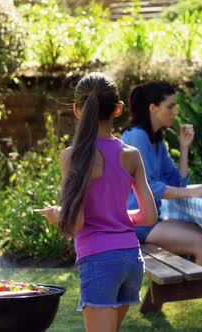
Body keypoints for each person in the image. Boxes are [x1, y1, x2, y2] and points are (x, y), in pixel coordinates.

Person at [37, 72, 157, 332]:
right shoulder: (131, 154)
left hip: (100, 260)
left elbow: (77, 219)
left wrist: (56, 214)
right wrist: (120, 217)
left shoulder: (73, 156)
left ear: (78, 110)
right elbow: (148, 217)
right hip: (131, 260)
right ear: (117, 109)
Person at [120, 81, 202, 329]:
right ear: (152, 108)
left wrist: (184, 147)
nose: (175, 111)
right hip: (134, 221)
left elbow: (176, 180)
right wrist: (194, 191)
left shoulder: (156, 139)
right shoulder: (136, 137)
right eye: (170, 106)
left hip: (150, 218)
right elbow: (150, 187)